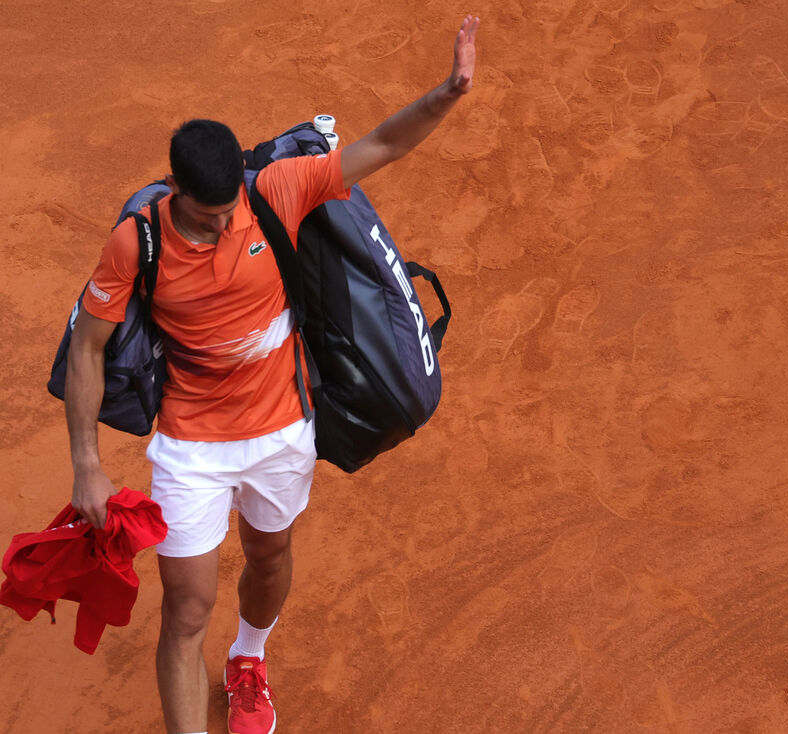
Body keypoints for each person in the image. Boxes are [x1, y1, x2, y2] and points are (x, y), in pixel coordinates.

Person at [65, 15, 479, 734]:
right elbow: (85, 350)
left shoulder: (274, 194)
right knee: (186, 609)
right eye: (207, 216)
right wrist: (86, 466)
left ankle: (249, 660)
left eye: (231, 213)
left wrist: (448, 92)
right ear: (174, 190)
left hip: (283, 429)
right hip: (191, 446)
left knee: (270, 553)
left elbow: (381, 144)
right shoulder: (136, 245)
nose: (226, 228)